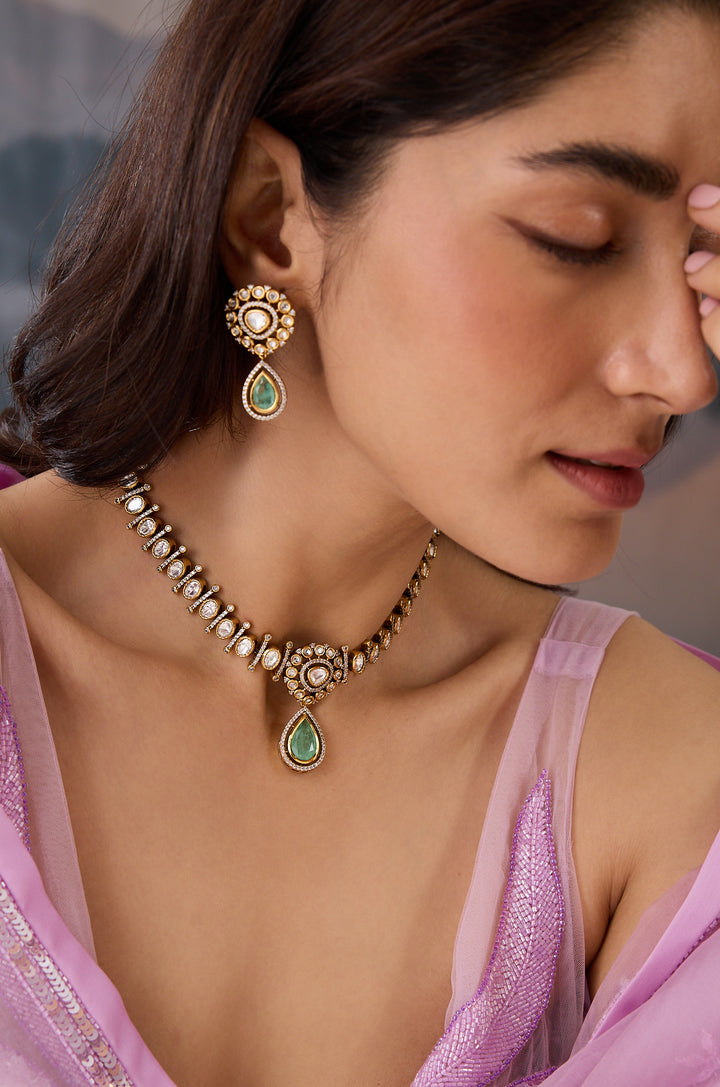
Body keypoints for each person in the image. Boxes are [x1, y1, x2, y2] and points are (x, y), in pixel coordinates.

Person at [0, 0, 719, 1083]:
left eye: (705, 258)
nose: (683, 371)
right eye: (578, 238)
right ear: (270, 215)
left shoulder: (668, 771)